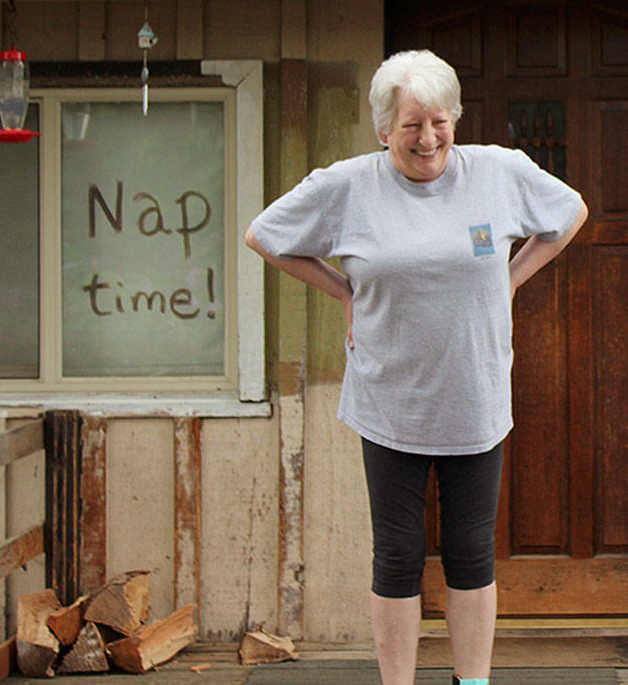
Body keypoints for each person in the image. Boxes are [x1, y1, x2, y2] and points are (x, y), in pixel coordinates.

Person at [245, 50, 588, 685]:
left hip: (475, 400)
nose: (428, 140)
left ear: (454, 118)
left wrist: (511, 279)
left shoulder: (499, 173)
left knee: (471, 552)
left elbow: (570, 214)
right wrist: (344, 292)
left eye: (439, 122)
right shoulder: (348, 186)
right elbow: (265, 234)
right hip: (390, 400)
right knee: (397, 555)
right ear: (383, 130)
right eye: (411, 126)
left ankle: (474, 682)